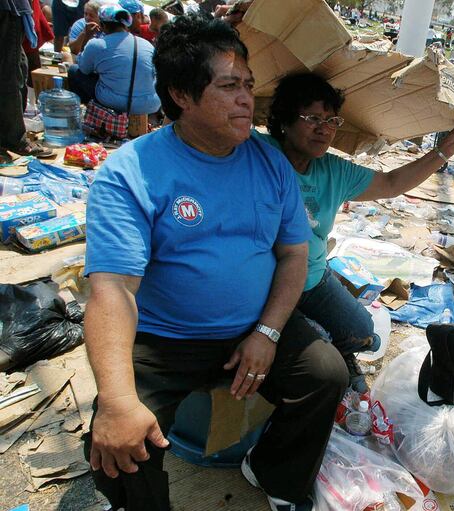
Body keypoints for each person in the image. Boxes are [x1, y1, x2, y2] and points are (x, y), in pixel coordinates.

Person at [82, 16, 347, 511]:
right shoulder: (131, 173)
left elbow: (294, 255)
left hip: (252, 327)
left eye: (248, 85)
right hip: (165, 338)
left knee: (327, 372)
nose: (247, 98)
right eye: (229, 86)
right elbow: (112, 289)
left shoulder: (270, 164)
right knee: (116, 440)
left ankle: (277, 477)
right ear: (182, 95)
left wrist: (267, 333)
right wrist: (117, 401)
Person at [258, 72, 454, 392]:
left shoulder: (333, 170)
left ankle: (338, 350)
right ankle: (324, 350)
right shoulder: (256, 153)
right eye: (312, 118)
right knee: (316, 351)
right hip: (266, 283)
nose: (324, 129)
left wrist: (446, 151)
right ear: (284, 120)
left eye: (331, 121)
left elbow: (391, 184)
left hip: (314, 278)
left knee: (363, 331)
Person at [67, 5, 161, 114]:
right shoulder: (146, 44)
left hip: (116, 103)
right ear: (126, 24)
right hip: (150, 105)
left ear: (102, 25)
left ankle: (92, 114)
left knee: (74, 71)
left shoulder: (97, 44)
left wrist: (87, 37)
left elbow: (83, 69)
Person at [1, 0, 54, 163]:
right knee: (10, 75)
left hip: (13, 9)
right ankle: (14, 139)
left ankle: (11, 136)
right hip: (8, 10)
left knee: (18, 69)